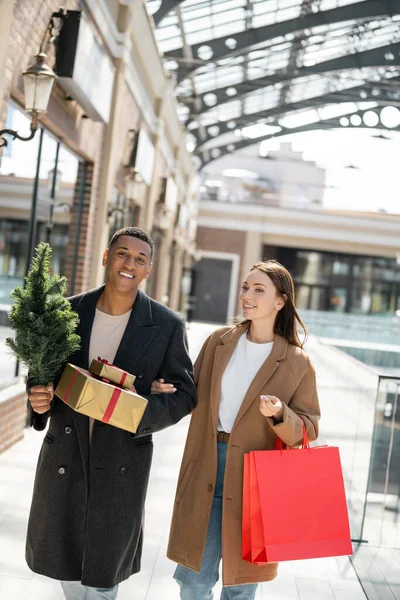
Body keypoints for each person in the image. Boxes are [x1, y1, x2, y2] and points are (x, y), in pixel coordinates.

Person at [26, 226, 197, 600]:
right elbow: (41, 374)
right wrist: (37, 399)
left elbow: (185, 394)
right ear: (106, 256)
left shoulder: (167, 326)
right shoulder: (68, 311)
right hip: (66, 454)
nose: (128, 264)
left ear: (148, 269)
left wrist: (139, 412)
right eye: (121, 254)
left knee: (104, 579)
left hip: (121, 458)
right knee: (64, 565)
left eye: (139, 259)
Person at [162, 259, 321, 599]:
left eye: (258, 290)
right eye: (246, 287)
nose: (247, 295)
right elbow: (190, 392)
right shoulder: (219, 342)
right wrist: (167, 389)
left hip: (257, 481)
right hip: (207, 465)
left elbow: (308, 428)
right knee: (193, 580)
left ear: (280, 301)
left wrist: (280, 415)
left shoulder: (296, 362)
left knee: (241, 585)